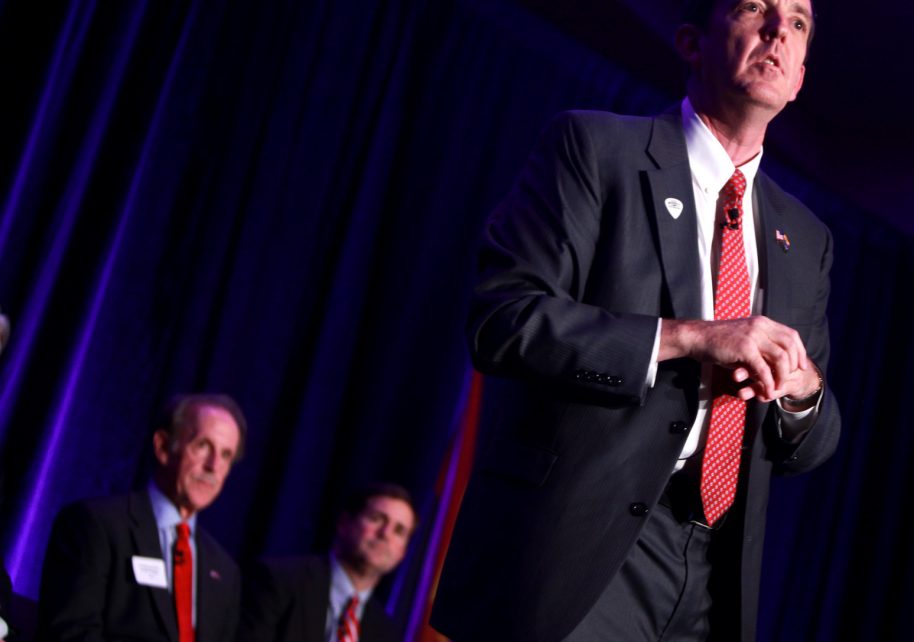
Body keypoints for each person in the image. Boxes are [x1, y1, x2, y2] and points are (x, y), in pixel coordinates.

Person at [430, 0, 842, 640]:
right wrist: (691, 338)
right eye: (754, 8)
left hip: (714, 575)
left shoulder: (805, 238)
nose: (775, 33)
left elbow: (812, 440)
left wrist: (802, 395)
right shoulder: (596, 150)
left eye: (796, 23)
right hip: (585, 550)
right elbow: (505, 319)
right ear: (691, 41)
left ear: (800, 79)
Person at [37, 394, 246, 642]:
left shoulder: (225, 572)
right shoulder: (96, 526)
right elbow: (71, 634)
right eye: (203, 446)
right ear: (163, 447)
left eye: (225, 455)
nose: (213, 466)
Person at [237, 483, 414, 642]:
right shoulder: (279, 581)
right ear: (345, 523)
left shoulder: (387, 633)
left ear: (403, 552)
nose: (385, 534)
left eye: (399, 531)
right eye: (377, 519)